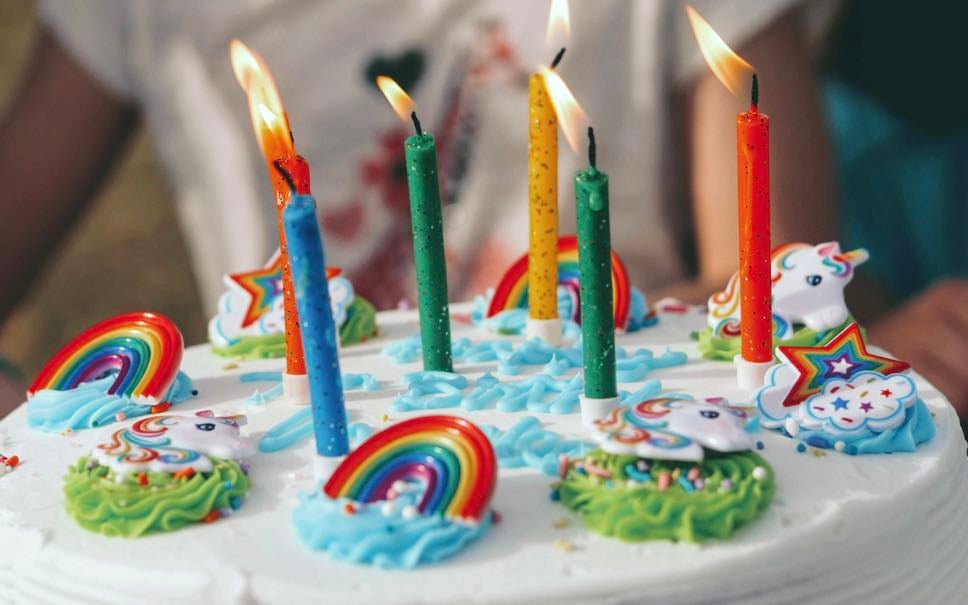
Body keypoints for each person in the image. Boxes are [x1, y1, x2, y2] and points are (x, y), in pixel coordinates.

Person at [0, 0, 964, 420]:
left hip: (634, 436)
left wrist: (865, 343)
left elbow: (774, 291)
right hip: (302, 498)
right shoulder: (144, 11)